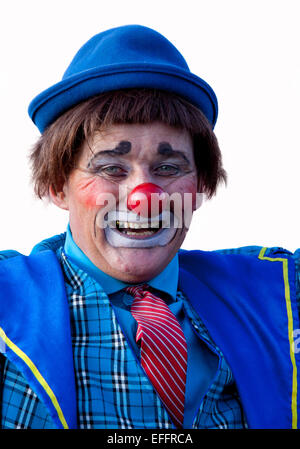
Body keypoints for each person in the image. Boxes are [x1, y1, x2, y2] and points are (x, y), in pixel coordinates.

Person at [0, 24, 299, 430]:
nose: (144, 197)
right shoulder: (7, 306)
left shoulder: (278, 295)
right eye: (110, 168)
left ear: (201, 186)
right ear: (57, 185)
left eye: (168, 168)